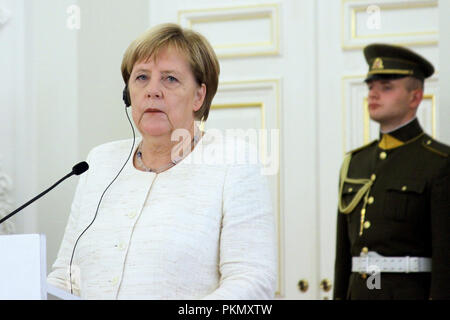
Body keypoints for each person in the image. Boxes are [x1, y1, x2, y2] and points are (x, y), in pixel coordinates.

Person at [47, 23, 277, 300]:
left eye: (170, 79)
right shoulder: (99, 162)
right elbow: (65, 276)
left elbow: (253, 280)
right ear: (128, 93)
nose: (152, 90)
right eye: (142, 77)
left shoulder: (233, 162)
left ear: (199, 96)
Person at [333, 43, 450, 300]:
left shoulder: (439, 162)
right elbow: (344, 256)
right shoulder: (355, 163)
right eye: (371, 87)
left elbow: (446, 256)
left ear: (415, 97)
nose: (374, 94)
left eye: (386, 87)